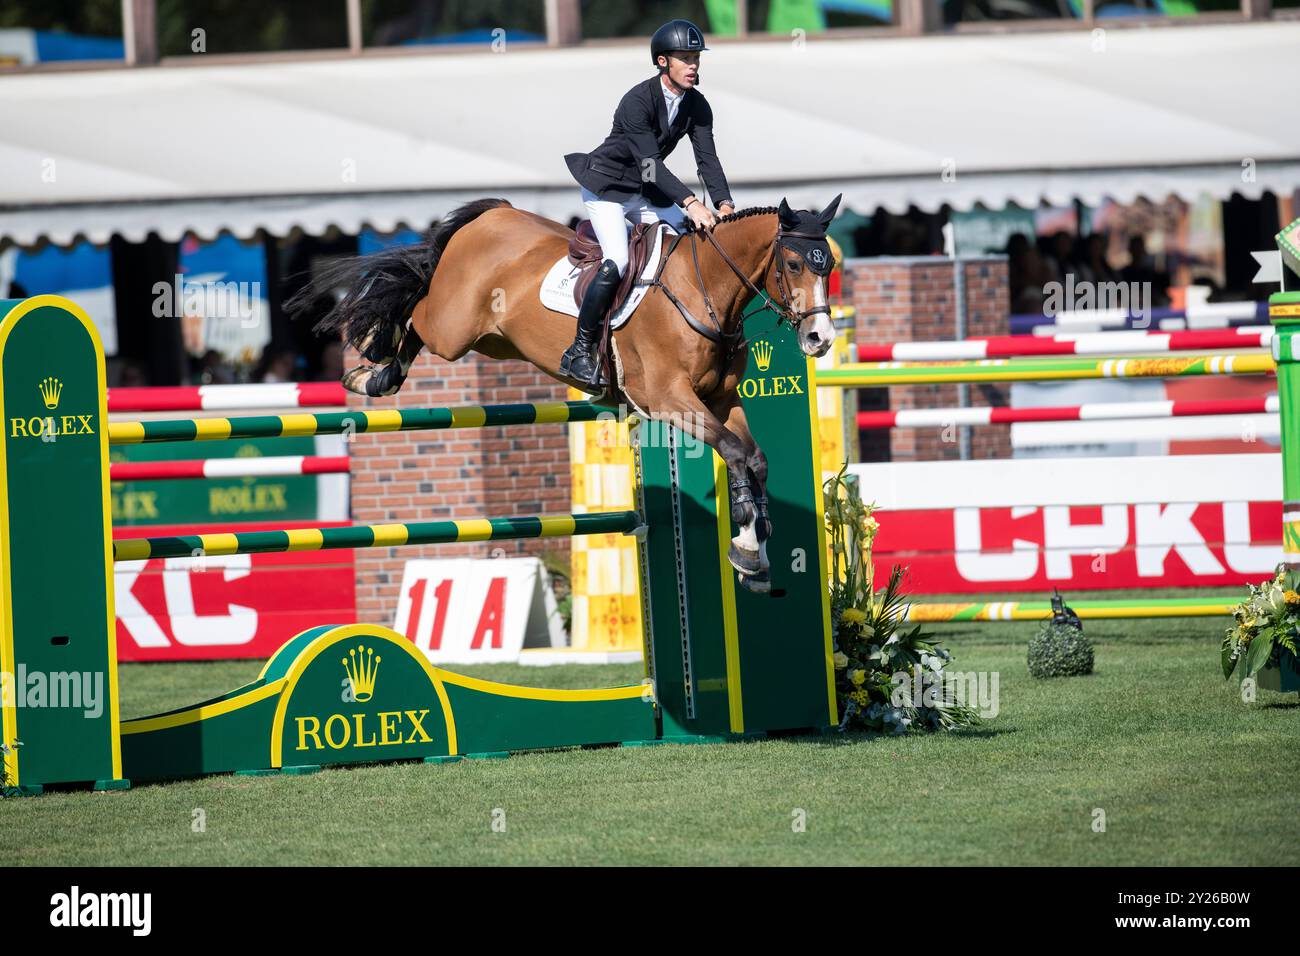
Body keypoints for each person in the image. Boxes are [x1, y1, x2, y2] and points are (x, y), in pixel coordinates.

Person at [559, 18, 736, 390]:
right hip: (607, 189)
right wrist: (690, 202)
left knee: (689, 240)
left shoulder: (697, 105)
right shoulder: (637, 101)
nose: (693, 66)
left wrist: (724, 205)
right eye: (685, 58)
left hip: (644, 192)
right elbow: (651, 165)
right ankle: (579, 350)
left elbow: (708, 161)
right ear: (662, 62)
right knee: (618, 261)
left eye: (696, 58)